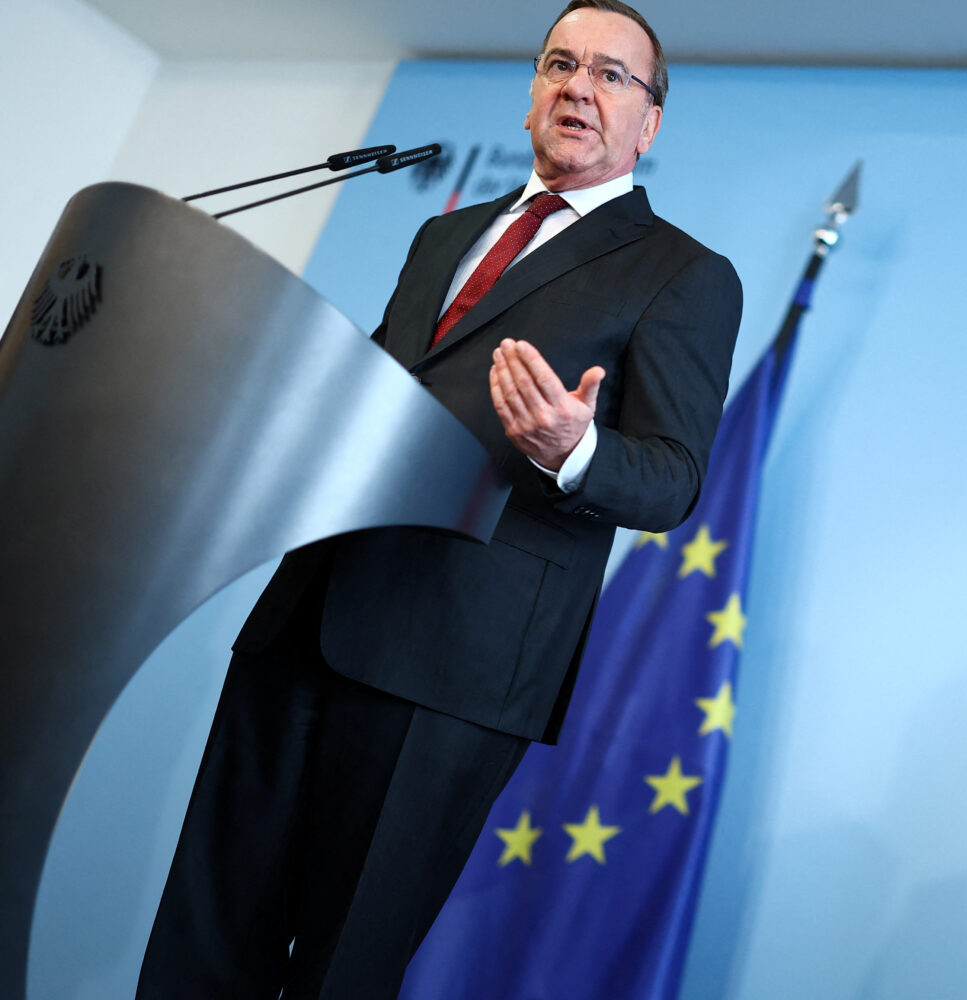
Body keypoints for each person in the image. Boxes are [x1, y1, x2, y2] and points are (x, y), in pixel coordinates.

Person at [136, 2, 742, 996]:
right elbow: (376, 397)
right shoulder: (445, 233)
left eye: (611, 75)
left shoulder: (684, 274)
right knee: (199, 944)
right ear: (532, 93)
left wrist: (576, 448)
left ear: (650, 123)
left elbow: (672, 478)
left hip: (455, 665)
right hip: (309, 614)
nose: (578, 87)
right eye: (559, 64)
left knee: (342, 966)